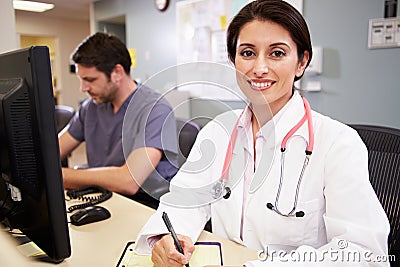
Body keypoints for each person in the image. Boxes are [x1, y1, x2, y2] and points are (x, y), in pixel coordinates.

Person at [133, 0, 390, 266]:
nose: (259, 68)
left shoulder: (338, 143)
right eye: (247, 53)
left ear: (301, 62)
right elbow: (184, 200)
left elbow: (364, 252)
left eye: (277, 53)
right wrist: (170, 237)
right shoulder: (218, 132)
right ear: (232, 60)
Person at [59, 32, 178, 208]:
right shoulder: (90, 108)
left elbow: (129, 180)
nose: (83, 88)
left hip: (146, 206)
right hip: (105, 197)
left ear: (117, 73)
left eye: (89, 80)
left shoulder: (155, 109)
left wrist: (58, 176)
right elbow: (52, 149)